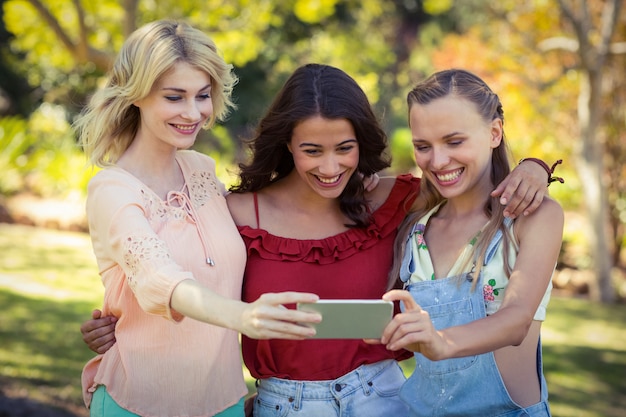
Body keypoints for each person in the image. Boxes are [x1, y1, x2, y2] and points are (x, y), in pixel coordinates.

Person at [80, 63, 555, 417]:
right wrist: (124, 321)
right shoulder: (238, 213)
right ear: (287, 143)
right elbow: (187, 276)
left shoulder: (395, 199)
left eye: (345, 149)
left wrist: (534, 166)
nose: (330, 168)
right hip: (278, 403)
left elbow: (468, 181)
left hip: (383, 399)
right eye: (312, 151)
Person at [74, 20, 322, 417]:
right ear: (136, 95)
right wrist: (245, 317)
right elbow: (160, 278)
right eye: (174, 97)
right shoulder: (112, 190)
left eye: (203, 96)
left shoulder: (203, 171)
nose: (194, 113)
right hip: (136, 403)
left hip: (222, 402)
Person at [377, 69, 563, 416]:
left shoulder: (534, 218)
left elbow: (516, 320)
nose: (438, 160)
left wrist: (441, 342)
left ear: (494, 132)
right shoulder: (416, 228)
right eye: (423, 146)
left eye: (454, 141)